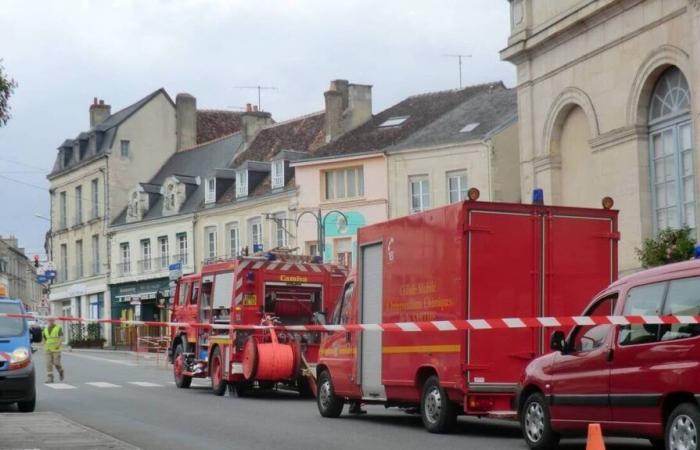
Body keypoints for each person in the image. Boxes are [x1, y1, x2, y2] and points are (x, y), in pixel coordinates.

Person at [43, 318, 64, 383]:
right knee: (48, 363)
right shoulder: (45, 329)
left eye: (51, 320)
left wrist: (58, 344)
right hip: (48, 349)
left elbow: (61, 337)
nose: (50, 321)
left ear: (54, 321)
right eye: (49, 320)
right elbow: (44, 339)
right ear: (47, 321)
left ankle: (61, 371)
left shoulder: (58, 328)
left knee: (56, 363)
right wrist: (44, 345)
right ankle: (50, 378)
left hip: (56, 349)